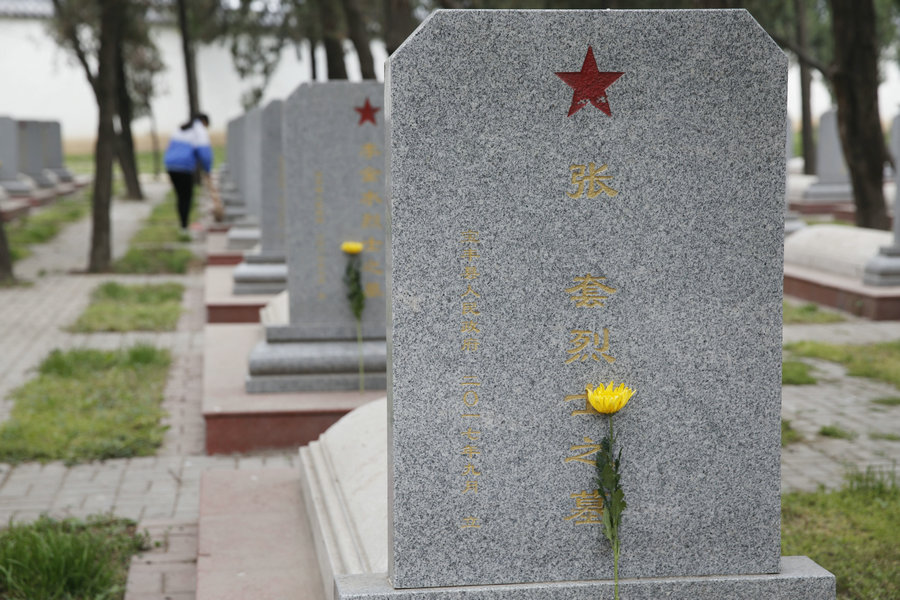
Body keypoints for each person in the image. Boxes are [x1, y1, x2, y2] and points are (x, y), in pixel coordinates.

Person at [164, 113, 213, 231]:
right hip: (184, 166)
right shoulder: (199, 130)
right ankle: (184, 226)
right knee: (186, 197)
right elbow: (205, 153)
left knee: (180, 196)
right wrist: (207, 170)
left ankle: (183, 224)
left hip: (170, 165)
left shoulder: (181, 129)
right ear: (204, 122)